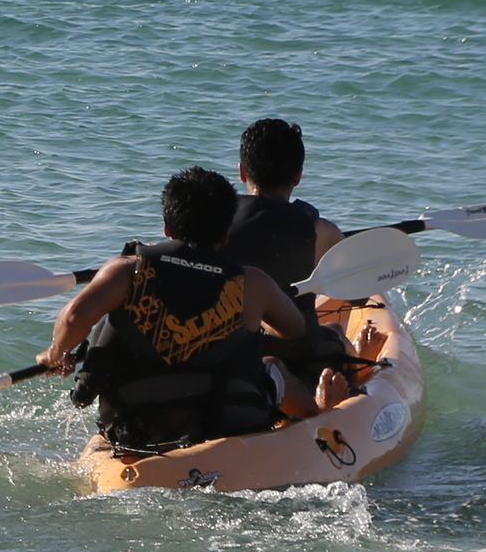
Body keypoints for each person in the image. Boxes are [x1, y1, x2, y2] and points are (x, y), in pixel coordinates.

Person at [39, 166, 316, 458]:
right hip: (226, 421)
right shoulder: (252, 284)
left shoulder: (127, 271)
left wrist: (57, 353)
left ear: (167, 228)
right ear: (225, 232)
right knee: (273, 366)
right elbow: (295, 330)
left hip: (137, 427)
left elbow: (73, 318)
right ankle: (322, 417)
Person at [221, 117, 337, 289]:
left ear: (242, 171)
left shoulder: (214, 222)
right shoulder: (321, 232)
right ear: (298, 176)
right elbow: (358, 297)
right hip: (296, 316)